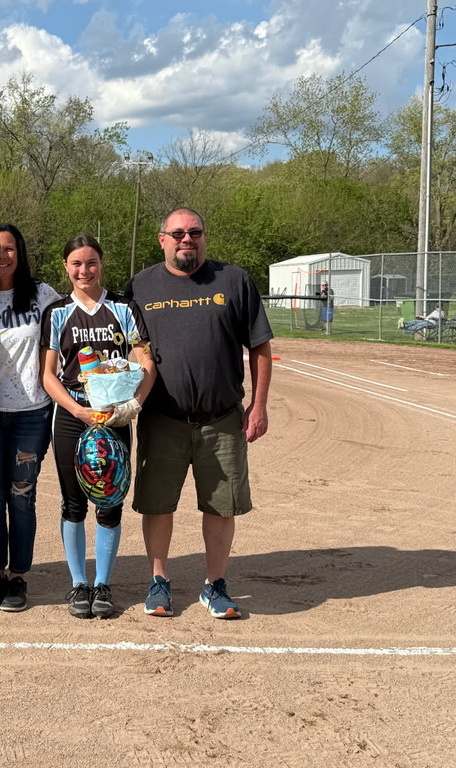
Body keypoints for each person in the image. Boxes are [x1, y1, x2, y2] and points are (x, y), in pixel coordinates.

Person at [124, 208, 272, 620]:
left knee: (221, 506)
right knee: (157, 505)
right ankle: (159, 580)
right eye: (177, 233)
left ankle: (215, 585)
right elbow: (126, 348)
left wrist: (258, 406)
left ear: (205, 237)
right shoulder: (140, 285)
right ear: (162, 239)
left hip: (222, 419)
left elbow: (259, 347)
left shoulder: (234, 280)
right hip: (162, 417)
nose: (186, 239)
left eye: (194, 232)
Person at [40, 233, 155, 619]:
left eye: (90, 262)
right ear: (66, 267)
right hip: (75, 416)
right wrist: (77, 410)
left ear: (101, 264)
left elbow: (146, 362)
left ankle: (103, 582)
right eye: (76, 263)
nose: (84, 270)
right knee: (73, 503)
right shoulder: (56, 312)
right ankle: (78, 584)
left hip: (115, 416)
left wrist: (134, 403)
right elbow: (49, 375)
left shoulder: (124, 307)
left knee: (110, 500)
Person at [0, 224, 62, 613]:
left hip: (30, 414)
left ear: (20, 252)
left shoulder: (42, 296)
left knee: (21, 497)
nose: (1, 255)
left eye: (9, 248)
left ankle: (19, 576)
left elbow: (67, 340)